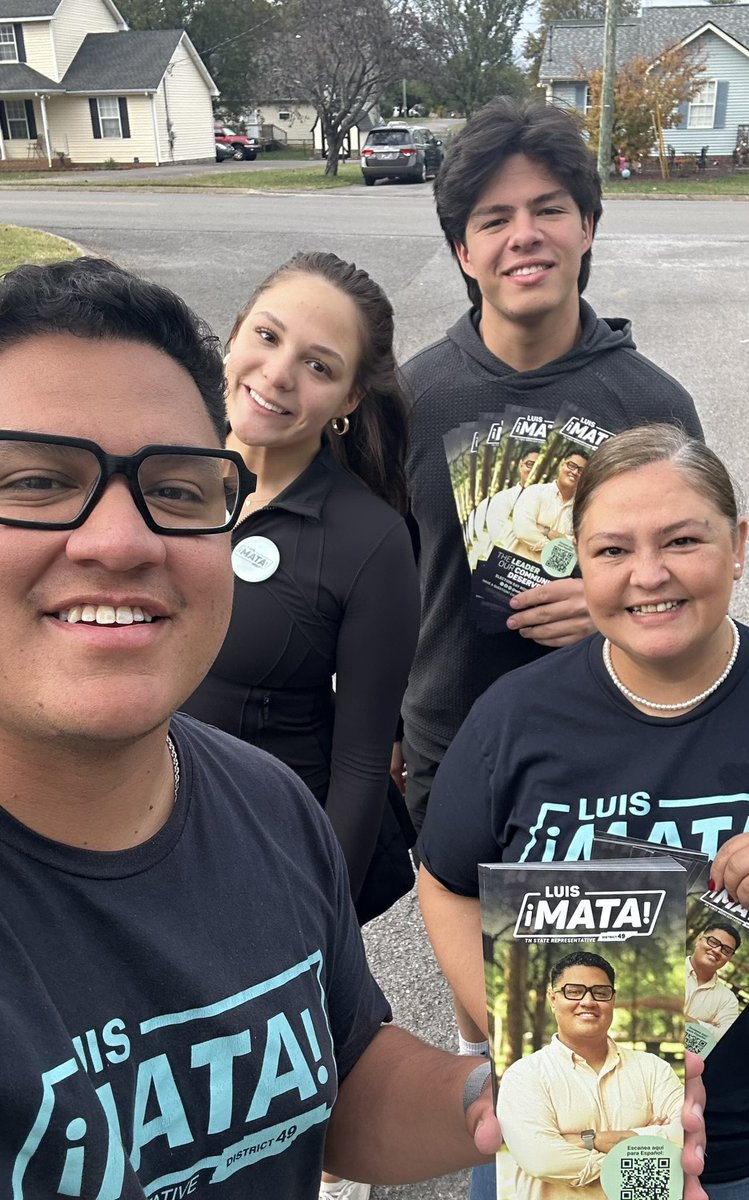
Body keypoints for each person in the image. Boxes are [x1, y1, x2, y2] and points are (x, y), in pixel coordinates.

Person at [0, 256, 508, 1198]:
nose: (120, 540)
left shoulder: (270, 809)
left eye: (180, 491)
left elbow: (338, 1082)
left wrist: (514, 1098)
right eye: (37, 480)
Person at [418, 424, 749, 1200]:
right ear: (580, 565)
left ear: (737, 546)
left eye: (682, 539)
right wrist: (510, 1031)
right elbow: (447, 879)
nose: (647, 575)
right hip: (558, 1127)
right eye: (612, 550)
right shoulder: (512, 719)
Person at [398, 96, 702, 852]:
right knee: (474, 968)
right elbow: (377, 589)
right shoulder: (408, 402)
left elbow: (700, 591)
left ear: (587, 227)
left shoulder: (653, 406)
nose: (523, 236)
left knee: (605, 971)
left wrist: (610, 612)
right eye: (493, 219)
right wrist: (380, 730)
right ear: (463, 251)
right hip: (453, 748)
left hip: (617, 749)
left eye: (548, 209)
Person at [183, 252, 420, 932]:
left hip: (263, 852)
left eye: (318, 366)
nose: (278, 374)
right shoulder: (150, 470)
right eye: (267, 335)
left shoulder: (369, 542)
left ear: (348, 400)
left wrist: (321, 919)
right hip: (122, 830)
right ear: (233, 334)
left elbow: (361, 762)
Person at [496, 952, 684, 1200]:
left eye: (600, 992)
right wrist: (648, 1156)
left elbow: (687, 1134)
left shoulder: (653, 1069)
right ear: (553, 999)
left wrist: (587, 1140)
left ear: (612, 1000)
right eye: (574, 991)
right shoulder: (524, 1076)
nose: (588, 1001)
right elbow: (542, 1159)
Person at [508, 452, 588, 563]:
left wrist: (544, 530)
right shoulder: (534, 492)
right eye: (571, 465)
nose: (575, 472)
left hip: (552, 578)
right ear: (562, 464)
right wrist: (556, 548)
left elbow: (578, 546)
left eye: (581, 470)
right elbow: (523, 530)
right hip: (514, 568)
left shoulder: (582, 510)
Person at [685, 926, 741, 1042]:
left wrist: (692, 1022)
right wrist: (706, 1028)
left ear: (730, 957)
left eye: (726, 950)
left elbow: (725, 1039)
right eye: (713, 942)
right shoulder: (665, 969)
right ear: (699, 939)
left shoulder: (728, 1000)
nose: (717, 950)